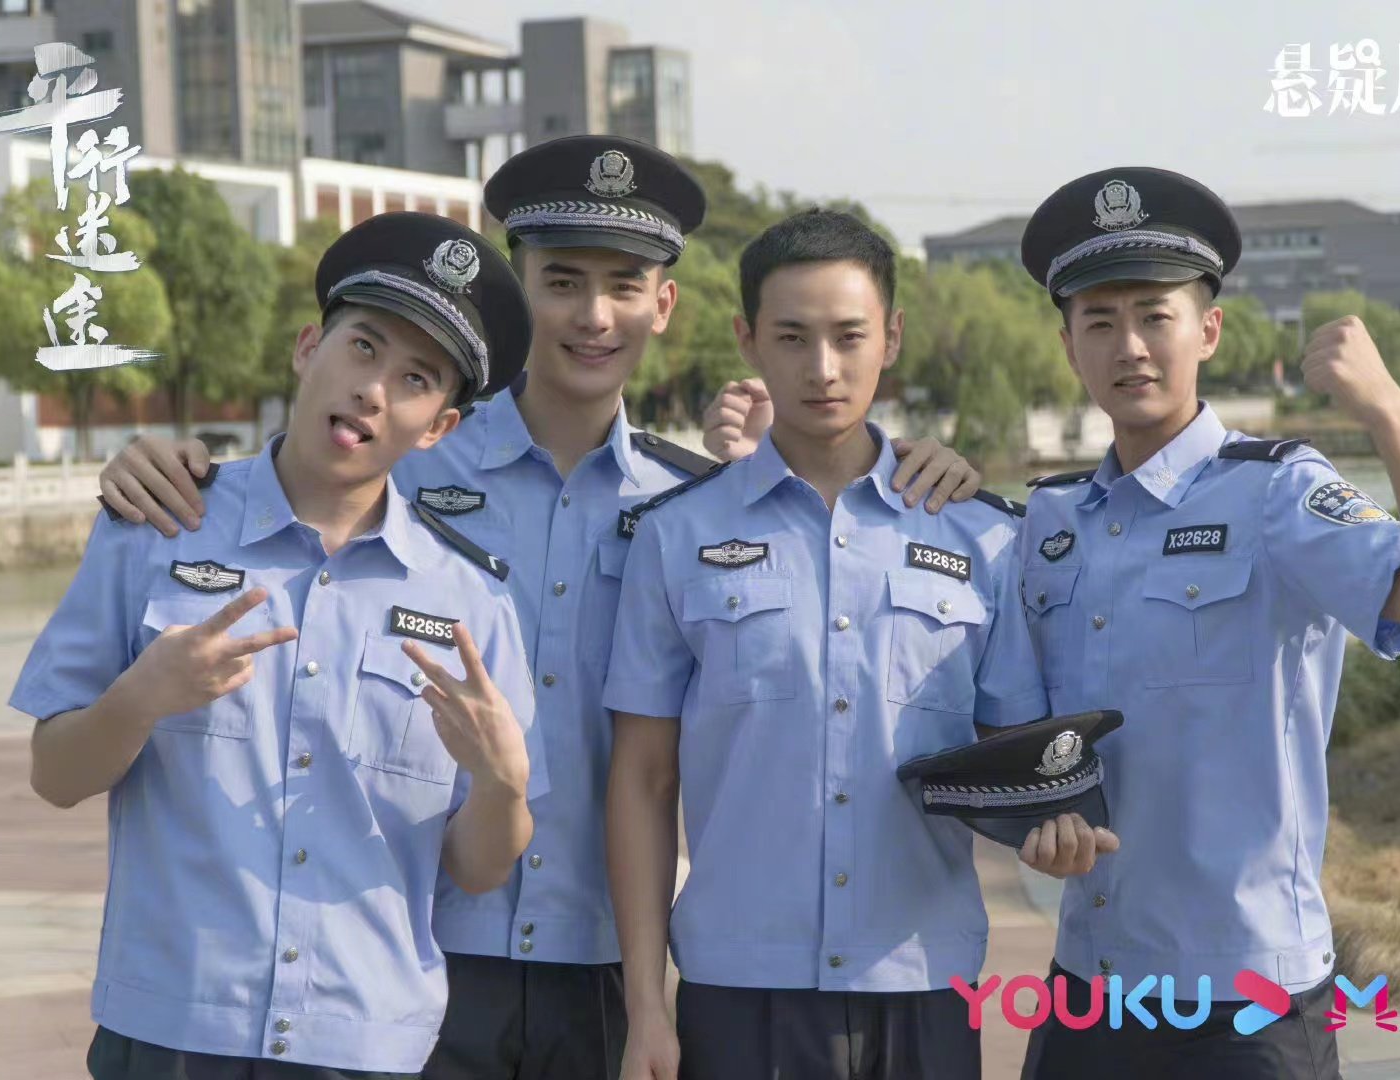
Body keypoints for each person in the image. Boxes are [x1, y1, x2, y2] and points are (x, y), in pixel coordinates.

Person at [91, 136, 982, 1080]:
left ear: (664, 306)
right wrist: (165, 462)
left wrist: (925, 473)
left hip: (600, 958)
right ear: (519, 293)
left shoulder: (690, 509)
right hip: (412, 945)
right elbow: (292, 481)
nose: (593, 316)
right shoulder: (410, 458)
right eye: (562, 282)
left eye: (624, 286)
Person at [10, 212, 546, 1079]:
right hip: (173, 1027)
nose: (374, 390)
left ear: (439, 427)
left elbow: (477, 870)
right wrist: (141, 698)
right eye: (363, 347)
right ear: (307, 348)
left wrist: (502, 784)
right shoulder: (159, 526)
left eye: (414, 378)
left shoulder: (470, 602)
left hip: (363, 1041)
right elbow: (54, 776)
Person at [603, 208, 1116, 1080]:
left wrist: (1055, 826)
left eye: (849, 336)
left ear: (893, 338)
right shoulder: (675, 536)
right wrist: (646, 1004)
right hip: (740, 985)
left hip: (924, 981)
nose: (823, 368)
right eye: (792, 337)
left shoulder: (980, 536)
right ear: (747, 340)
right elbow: (644, 780)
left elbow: (1018, 757)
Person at [1010, 167, 1400, 1079]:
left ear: (1209, 330)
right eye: (1100, 322)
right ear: (1069, 345)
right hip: (1090, 984)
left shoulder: (1278, 493)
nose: (1130, 347)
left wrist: (1389, 413)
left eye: (1155, 316)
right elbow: (1013, 722)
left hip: (1248, 999)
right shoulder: (1049, 520)